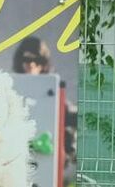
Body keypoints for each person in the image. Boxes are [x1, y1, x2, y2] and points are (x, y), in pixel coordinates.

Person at [12, 35, 77, 167]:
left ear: (44, 63)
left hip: (46, 154)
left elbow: (71, 115)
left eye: (37, 60)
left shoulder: (52, 91)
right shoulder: (10, 87)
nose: (31, 64)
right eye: (27, 59)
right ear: (20, 61)